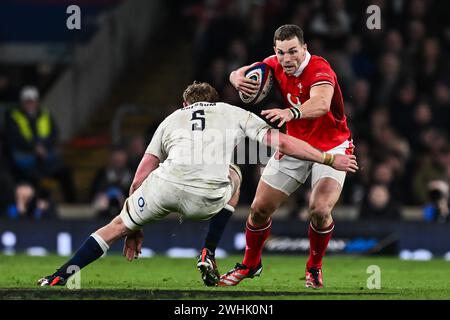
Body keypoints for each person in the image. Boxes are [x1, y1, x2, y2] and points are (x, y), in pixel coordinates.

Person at [37, 81, 357, 287]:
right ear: (214, 101)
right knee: (235, 175)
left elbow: (140, 175)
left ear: (185, 103)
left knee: (115, 226)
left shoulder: (170, 119)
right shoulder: (231, 112)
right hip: (207, 197)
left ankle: (60, 276)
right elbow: (283, 145)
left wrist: (135, 225)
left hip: (163, 186)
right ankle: (209, 248)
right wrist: (328, 160)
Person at [219, 24, 354, 289]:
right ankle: (250, 264)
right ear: (275, 51)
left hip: (332, 146)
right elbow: (238, 72)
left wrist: (291, 113)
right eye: (282, 53)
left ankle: (314, 267)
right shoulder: (274, 63)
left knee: (319, 209)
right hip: (295, 145)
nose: (287, 59)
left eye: (293, 51)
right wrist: (235, 78)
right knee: (259, 209)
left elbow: (322, 103)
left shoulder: (319, 69)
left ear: (305, 49)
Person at [4, 86, 76, 203]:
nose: (30, 104)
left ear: (37, 102)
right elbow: (14, 137)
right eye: (27, 101)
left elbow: (54, 134)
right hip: (24, 158)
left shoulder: (45, 114)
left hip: (45, 156)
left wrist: (44, 148)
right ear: (22, 102)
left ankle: (72, 204)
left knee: (64, 171)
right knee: (34, 177)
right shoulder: (13, 115)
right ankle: (37, 206)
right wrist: (34, 148)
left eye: (32, 101)